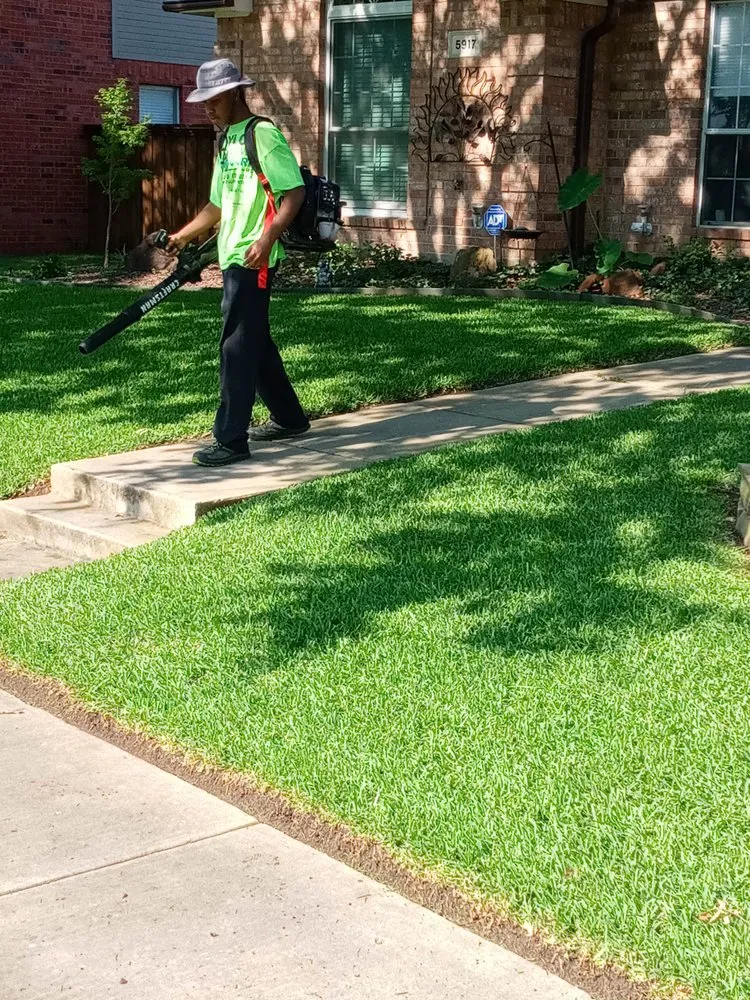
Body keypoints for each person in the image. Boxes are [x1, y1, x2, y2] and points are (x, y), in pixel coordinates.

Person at [168, 58, 310, 467]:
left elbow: (294, 193)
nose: (206, 108)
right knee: (254, 342)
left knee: (236, 347)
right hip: (232, 255)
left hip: (254, 257)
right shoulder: (227, 140)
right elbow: (217, 204)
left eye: (212, 100)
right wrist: (183, 236)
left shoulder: (261, 135)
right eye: (203, 101)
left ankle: (230, 440)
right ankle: (289, 418)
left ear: (233, 93)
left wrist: (267, 239)